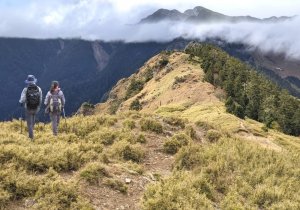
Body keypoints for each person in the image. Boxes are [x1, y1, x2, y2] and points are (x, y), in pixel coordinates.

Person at [19, 75, 43, 140]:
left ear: (28, 82)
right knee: (33, 121)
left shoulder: (25, 89)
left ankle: (31, 138)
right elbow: (40, 99)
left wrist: (21, 102)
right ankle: (31, 133)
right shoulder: (39, 89)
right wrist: (38, 106)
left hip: (28, 108)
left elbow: (23, 99)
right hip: (36, 108)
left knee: (29, 123)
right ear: (34, 81)